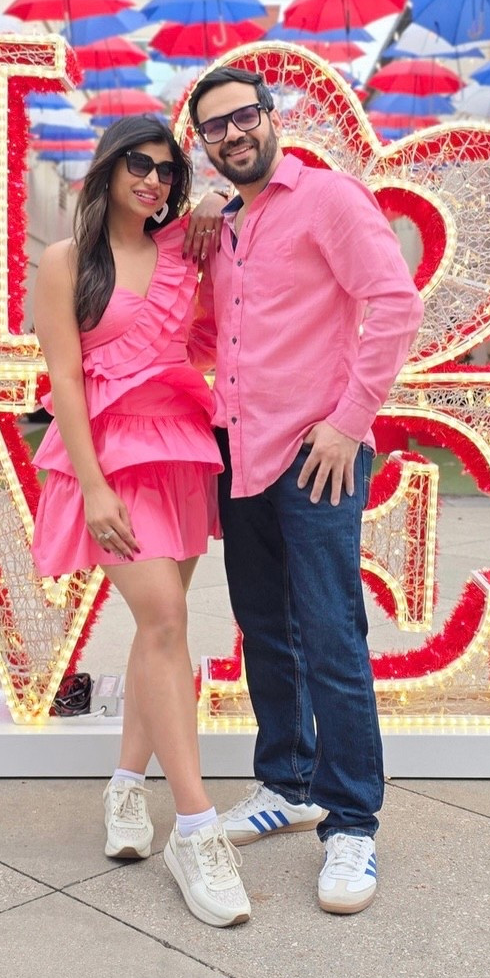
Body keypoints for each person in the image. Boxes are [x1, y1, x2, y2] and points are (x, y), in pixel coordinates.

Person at [188, 65, 423, 915]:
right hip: (239, 453)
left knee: (331, 631)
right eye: (214, 127)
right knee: (262, 627)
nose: (233, 134)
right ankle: (286, 781)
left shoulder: (330, 199)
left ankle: (352, 821)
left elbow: (394, 302)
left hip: (317, 452)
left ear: (269, 116)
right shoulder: (225, 225)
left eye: (243, 116)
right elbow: (219, 334)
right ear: (204, 144)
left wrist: (350, 420)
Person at [30, 115, 250, 929]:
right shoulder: (65, 264)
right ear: (107, 169)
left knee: (159, 630)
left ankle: (125, 791)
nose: (153, 180)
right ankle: (195, 828)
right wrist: (91, 488)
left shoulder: (187, 254)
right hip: (112, 461)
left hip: (181, 451)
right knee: (164, 618)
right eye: (138, 165)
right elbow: (64, 382)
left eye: (165, 170)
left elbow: (243, 214)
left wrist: (216, 195)